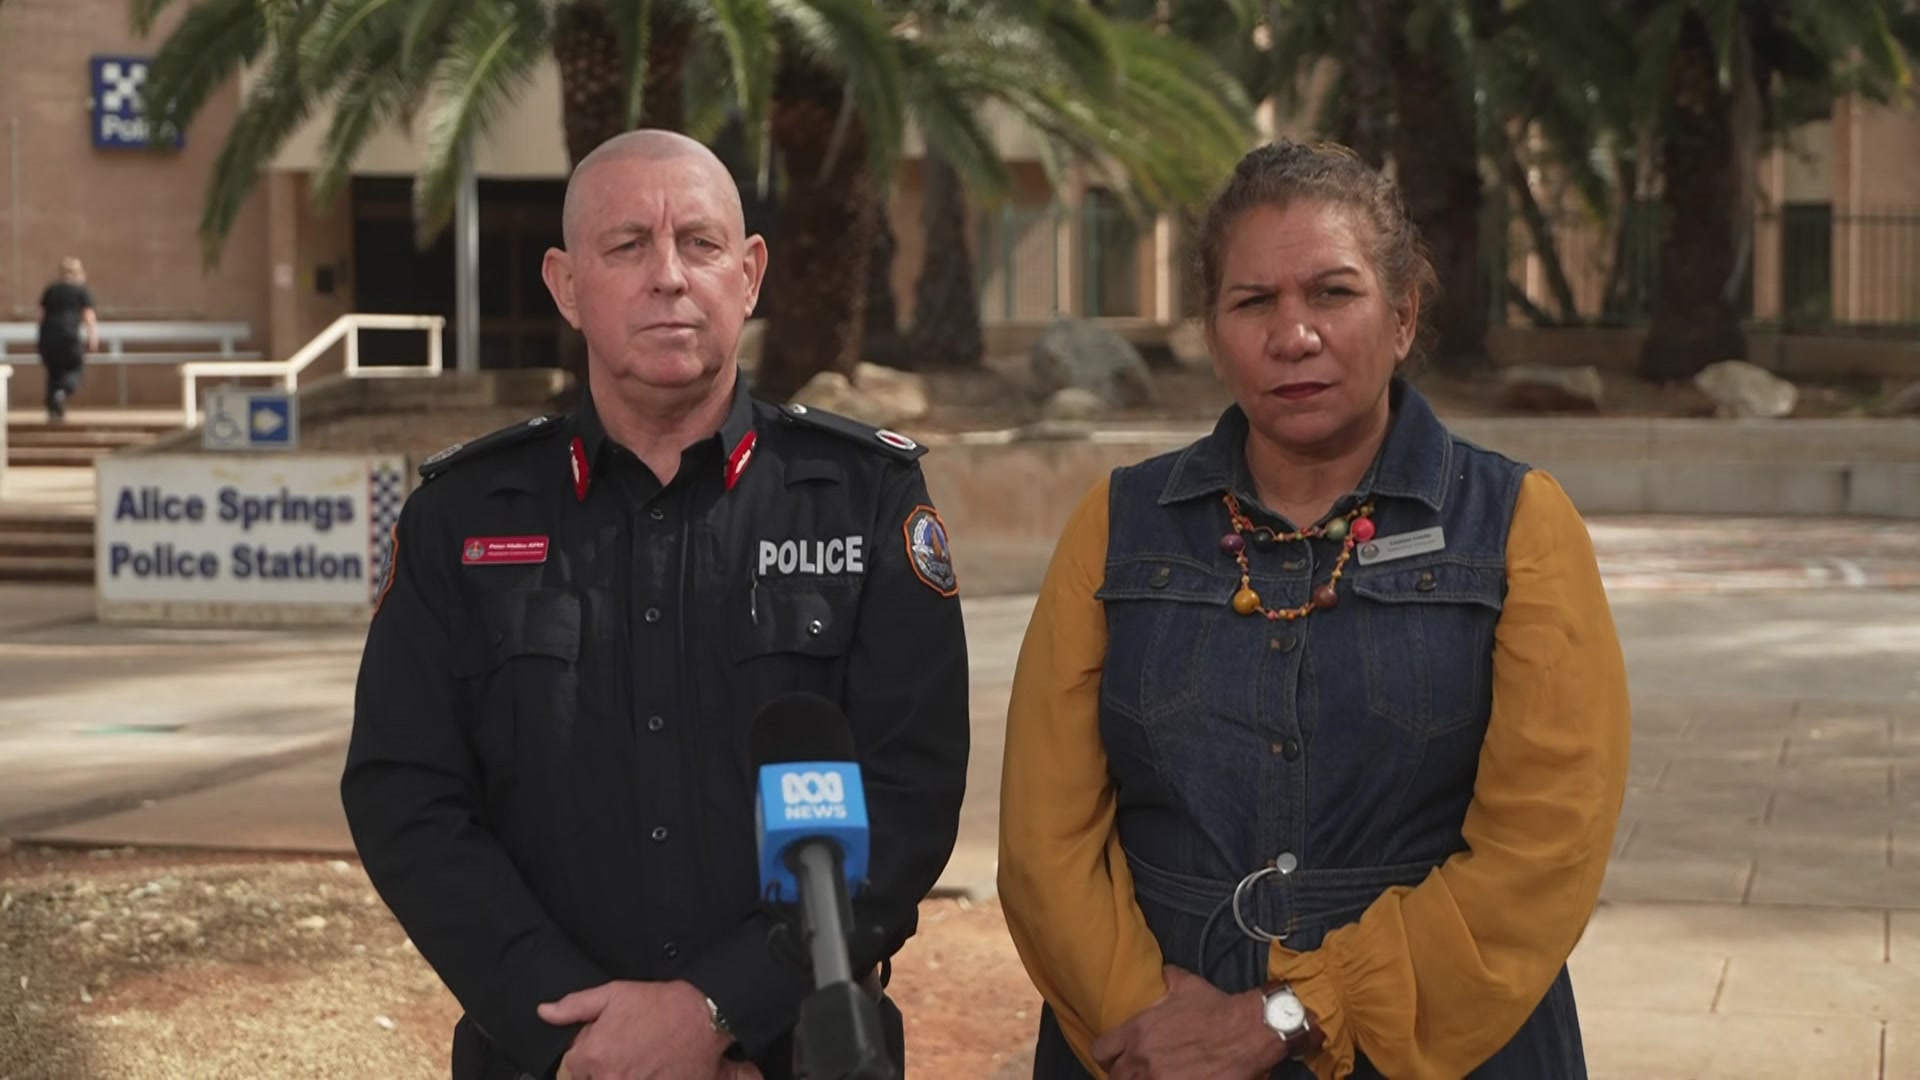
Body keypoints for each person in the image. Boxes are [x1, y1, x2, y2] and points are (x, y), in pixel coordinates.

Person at [342, 129, 971, 1080]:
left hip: (799, 1054)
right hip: (548, 1058)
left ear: (749, 275)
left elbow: (908, 795)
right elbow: (406, 798)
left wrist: (719, 1008)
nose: (668, 276)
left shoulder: (865, 499)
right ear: (566, 285)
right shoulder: (461, 517)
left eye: (700, 243)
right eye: (628, 244)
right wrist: (579, 1037)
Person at [997, 139, 1631, 1080]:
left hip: (1436, 1044)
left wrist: (1293, 1014)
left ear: (1403, 316)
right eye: (1253, 302)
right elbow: (1044, 839)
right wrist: (1154, 1023)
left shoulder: (1518, 525)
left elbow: (1546, 846)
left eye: (1333, 293)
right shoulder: (1117, 524)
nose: (1293, 336)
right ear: (1213, 332)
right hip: (1154, 1049)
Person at [36, 257, 98, 421]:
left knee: (53, 373)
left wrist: (41, 339)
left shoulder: (51, 290)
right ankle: (62, 393)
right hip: (69, 336)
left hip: (49, 337)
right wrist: (92, 337)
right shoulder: (81, 291)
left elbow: (41, 316)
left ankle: (53, 409)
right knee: (74, 369)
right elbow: (88, 315)